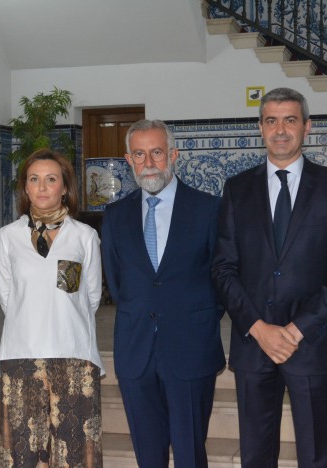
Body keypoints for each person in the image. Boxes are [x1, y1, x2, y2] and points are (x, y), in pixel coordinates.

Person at [212, 87, 327, 467]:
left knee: (316, 455)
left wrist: (296, 330)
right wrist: (259, 328)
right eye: (271, 121)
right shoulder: (236, 189)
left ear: (307, 127)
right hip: (253, 346)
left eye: (290, 120)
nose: (280, 130)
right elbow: (223, 267)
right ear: (260, 128)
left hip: (311, 345)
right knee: (256, 456)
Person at [101, 119, 225, 467]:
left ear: (173, 154)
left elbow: (221, 277)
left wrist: (194, 318)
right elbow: (118, 282)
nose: (149, 162)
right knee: (148, 454)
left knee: (189, 453)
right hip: (135, 350)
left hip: (191, 348)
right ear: (129, 160)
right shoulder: (115, 215)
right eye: (139, 154)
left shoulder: (208, 209)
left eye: (156, 152)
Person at [0, 149, 104, 467]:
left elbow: (90, 296)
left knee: (74, 455)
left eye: (51, 179)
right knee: (22, 454)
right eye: (34, 179)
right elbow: (7, 296)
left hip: (73, 355)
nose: (42, 187)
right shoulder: (9, 237)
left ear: (65, 187)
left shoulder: (83, 237)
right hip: (21, 355)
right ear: (25, 189)